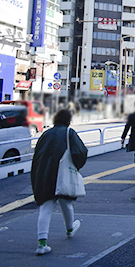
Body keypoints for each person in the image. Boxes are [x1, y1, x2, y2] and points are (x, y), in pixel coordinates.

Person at [31, 109, 88, 255]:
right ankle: (70, 229)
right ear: (68, 120)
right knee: (66, 203)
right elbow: (79, 152)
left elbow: (37, 156)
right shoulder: (69, 133)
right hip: (62, 175)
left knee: (45, 208)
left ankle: (41, 243)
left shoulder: (46, 134)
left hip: (45, 174)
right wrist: (76, 166)